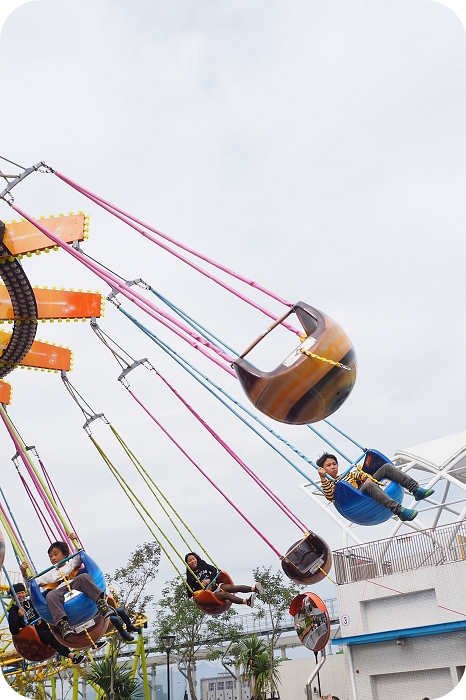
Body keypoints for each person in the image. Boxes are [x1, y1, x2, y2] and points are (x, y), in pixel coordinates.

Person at [20, 535, 114, 639]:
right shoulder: (49, 574)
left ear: (65, 554)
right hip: (60, 591)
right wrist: (24, 573)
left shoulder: (71, 564)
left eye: (56, 554)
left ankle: (101, 604)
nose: (53, 558)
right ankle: (63, 624)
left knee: (84, 577)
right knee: (51, 595)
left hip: (74, 584)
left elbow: (79, 555)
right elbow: (31, 584)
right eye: (50, 556)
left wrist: (74, 540)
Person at [317, 453, 435, 522]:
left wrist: (365, 477)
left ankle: (415, 489)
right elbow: (329, 496)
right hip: (357, 497)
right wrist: (323, 478)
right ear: (323, 469)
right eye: (329, 465)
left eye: (334, 464)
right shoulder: (331, 483)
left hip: (366, 486)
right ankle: (400, 511)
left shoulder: (347, 474)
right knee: (368, 485)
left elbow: (359, 475)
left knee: (387, 467)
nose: (333, 467)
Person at [8, 582, 84, 665]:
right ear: (13, 597)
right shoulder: (13, 611)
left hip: (44, 625)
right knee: (50, 636)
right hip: (34, 634)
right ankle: (72, 656)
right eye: (17, 594)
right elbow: (13, 630)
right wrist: (19, 616)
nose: (21, 595)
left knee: (61, 623)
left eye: (22, 592)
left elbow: (42, 603)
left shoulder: (30, 603)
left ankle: (84, 636)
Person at [185, 553, 263, 607]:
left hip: (215, 586)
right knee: (226, 595)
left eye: (193, 559)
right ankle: (246, 602)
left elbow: (214, 570)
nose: (193, 561)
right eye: (190, 561)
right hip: (210, 594)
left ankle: (254, 589)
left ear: (196, 559)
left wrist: (209, 580)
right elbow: (190, 593)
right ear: (187, 564)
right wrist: (202, 587)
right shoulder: (190, 576)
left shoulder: (202, 564)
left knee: (232, 588)